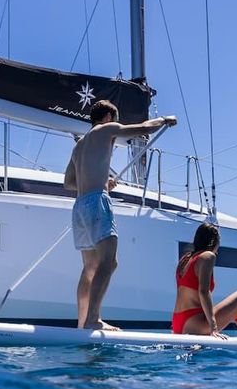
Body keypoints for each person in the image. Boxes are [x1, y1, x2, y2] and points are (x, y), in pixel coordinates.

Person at [63, 99, 176, 330]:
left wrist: (102, 183)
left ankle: (83, 322)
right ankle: (93, 319)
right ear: (108, 118)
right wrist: (164, 120)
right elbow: (144, 128)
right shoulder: (107, 129)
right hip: (96, 202)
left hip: (80, 205)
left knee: (90, 267)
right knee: (109, 262)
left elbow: (69, 183)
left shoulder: (79, 146)